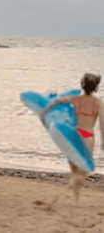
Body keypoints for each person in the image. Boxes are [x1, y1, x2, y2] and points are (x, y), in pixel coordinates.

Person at [40, 73, 104, 201]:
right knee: (83, 173)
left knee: (74, 172)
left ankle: (75, 200)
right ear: (96, 87)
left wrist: (45, 110)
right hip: (87, 136)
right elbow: (102, 123)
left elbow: (57, 101)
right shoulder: (98, 103)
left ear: (82, 84)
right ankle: (66, 192)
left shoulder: (75, 99)